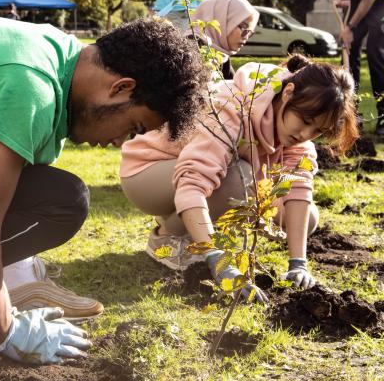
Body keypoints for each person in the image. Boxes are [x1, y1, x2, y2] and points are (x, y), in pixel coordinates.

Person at [0, 15, 209, 365]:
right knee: (60, 203)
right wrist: (7, 332)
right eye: (133, 127)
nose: (118, 142)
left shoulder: (54, 53)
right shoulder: (30, 86)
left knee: (54, 194)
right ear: (121, 87)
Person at [120, 55, 359, 302]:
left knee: (306, 218)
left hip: (199, 181)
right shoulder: (232, 106)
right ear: (288, 93)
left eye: (318, 131)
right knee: (241, 179)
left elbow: (298, 188)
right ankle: (168, 237)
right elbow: (192, 182)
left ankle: (192, 227)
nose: (305, 134)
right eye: (306, 121)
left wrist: (298, 263)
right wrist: (218, 260)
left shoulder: (298, 134)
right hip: (148, 172)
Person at [336, 0, 384, 137]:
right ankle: (350, 114)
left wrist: (350, 27)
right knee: (349, 50)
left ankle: (383, 115)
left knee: (376, 51)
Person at [185, 0, 259, 78]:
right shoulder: (190, 49)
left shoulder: (221, 53)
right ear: (222, 19)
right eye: (243, 28)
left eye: (249, 32)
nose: (246, 37)